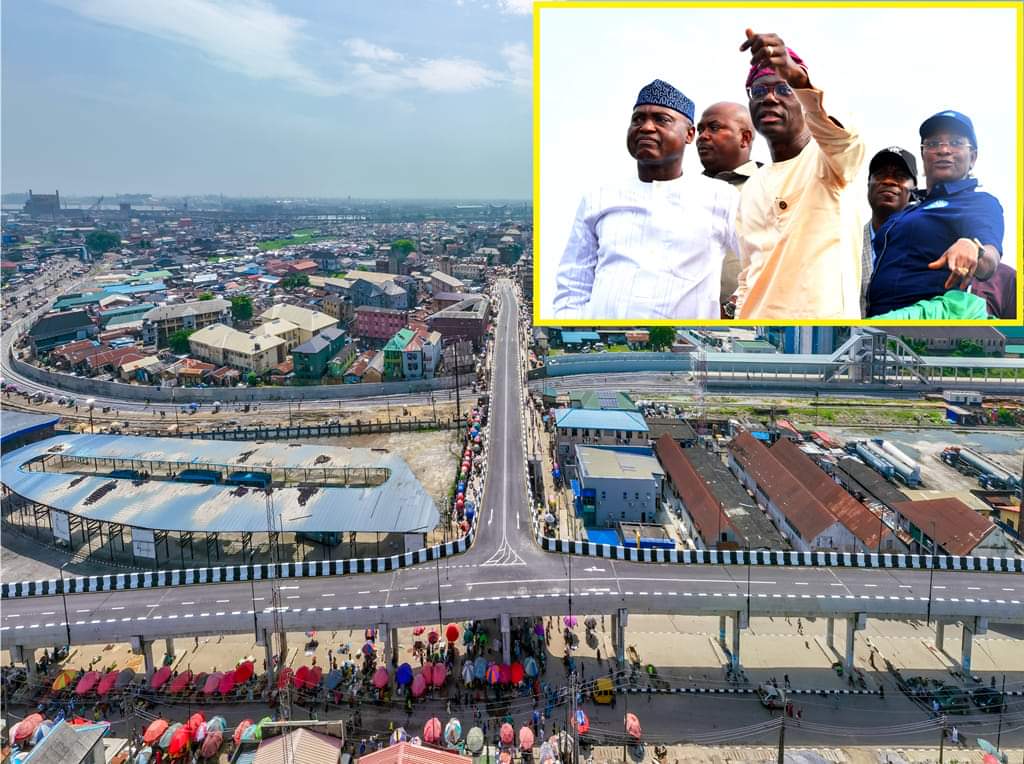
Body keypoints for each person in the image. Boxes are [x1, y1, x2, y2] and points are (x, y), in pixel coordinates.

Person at [552, 79, 739, 320]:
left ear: (689, 134)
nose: (646, 127)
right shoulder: (598, 199)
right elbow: (573, 285)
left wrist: (734, 308)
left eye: (661, 120)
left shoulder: (721, 197)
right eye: (638, 119)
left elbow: (764, 266)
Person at [733, 29, 865, 319]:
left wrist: (799, 79)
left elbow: (845, 140)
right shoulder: (753, 185)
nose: (769, 98)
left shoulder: (830, 162)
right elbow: (748, 274)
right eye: (759, 91)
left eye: (783, 89)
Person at [867, 110, 1004, 317]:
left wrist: (975, 249)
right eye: (933, 144)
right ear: (923, 156)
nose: (944, 150)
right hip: (874, 317)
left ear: (972, 157)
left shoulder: (978, 203)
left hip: (924, 317)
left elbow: (990, 261)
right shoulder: (909, 210)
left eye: (956, 142)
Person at [695, 101, 762, 317]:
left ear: (744, 138)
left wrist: (733, 304)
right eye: (700, 130)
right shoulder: (687, 192)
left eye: (714, 128)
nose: (703, 136)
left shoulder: (770, 186)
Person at [861, 147, 919, 316]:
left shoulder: (925, 247)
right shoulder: (845, 242)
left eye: (899, 177)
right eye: (880, 174)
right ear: (868, 185)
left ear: (914, 190)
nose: (888, 181)